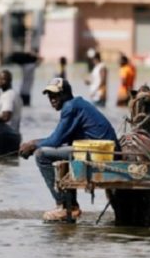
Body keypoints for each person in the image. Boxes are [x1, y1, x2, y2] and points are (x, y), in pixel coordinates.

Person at [19, 78, 118, 221]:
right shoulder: (76, 104)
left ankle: (65, 205)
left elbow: (55, 140)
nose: (52, 99)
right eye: (49, 96)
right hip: (98, 149)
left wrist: (33, 144)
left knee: (41, 155)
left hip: (99, 152)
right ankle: (70, 205)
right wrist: (33, 143)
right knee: (59, 152)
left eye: (55, 95)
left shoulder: (70, 107)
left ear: (65, 94)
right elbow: (60, 139)